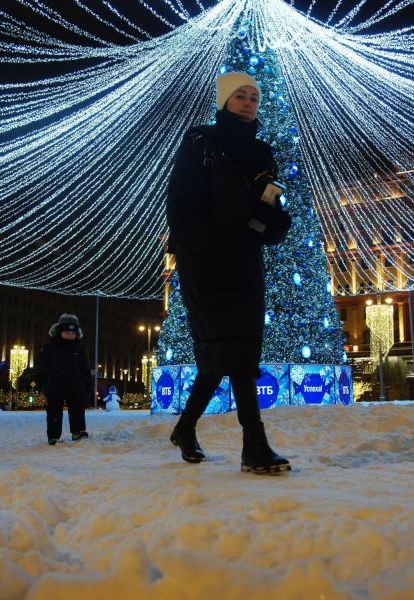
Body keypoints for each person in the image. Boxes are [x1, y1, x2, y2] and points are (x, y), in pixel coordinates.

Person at [165, 71, 293, 475]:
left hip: (244, 260)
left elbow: (265, 210)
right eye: (240, 95)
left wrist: (272, 221)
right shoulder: (200, 144)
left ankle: (185, 429)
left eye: (254, 97)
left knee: (226, 354)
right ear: (224, 101)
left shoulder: (262, 153)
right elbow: (181, 203)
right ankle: (253, 444)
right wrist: (205, 245)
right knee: (234, 350)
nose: (248, 102)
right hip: (205, 261)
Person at [35, 314, 93, 445]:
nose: (70, 335)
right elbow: (42, 366)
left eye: (73, 333)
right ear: (59, 331)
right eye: (67, 332)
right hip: (54, 384)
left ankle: (78, 431)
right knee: (54, 411)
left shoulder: (79, 347)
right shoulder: (50, 347)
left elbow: (84, 368)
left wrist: (87, 385)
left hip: (75, 384)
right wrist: (43, 384)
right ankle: (53, 436)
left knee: (77, 408)